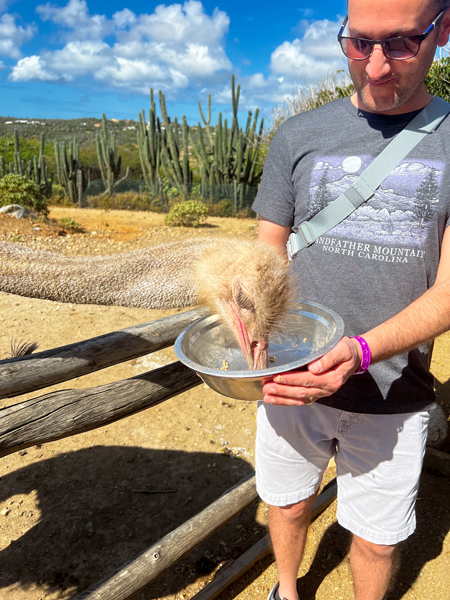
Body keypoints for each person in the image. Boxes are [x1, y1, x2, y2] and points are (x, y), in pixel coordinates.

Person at [251, 1, 450, 599]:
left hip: (394, 389)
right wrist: (252, 332)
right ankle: (287, 590)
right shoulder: (299, 135)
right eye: (359, 44)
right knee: (286, 506)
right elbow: (267, 259)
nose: (378, 66)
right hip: (291, 380)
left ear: (444, 28)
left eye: (404, 43)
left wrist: (361, 351)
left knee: (378, 539)